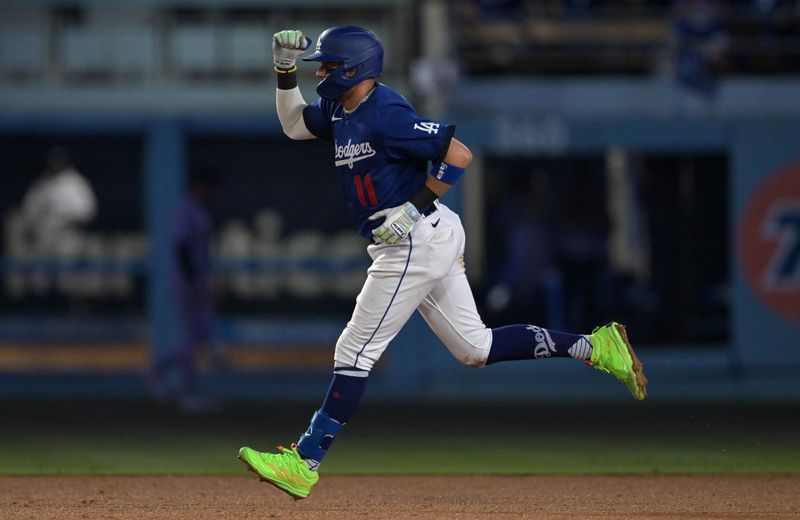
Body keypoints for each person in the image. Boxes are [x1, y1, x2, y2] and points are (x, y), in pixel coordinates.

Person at [238, 26, 648, 499]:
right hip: (427, 235)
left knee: (354, 352)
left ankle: (304, 461)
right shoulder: (339, 107)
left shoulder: (386, 111)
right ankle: (595, 348)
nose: (322, 72)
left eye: (328, 65)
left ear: (355, 67)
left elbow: (459, 154)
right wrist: (284, 70)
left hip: (414, 240)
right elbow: (293, 126)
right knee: (474, 348)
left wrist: (414, 205)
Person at [147, 168, 220, 413]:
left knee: (197, 339)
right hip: (186, 282)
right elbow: (181, 248)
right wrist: (193, 283)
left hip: (196, 279)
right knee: (191, 341)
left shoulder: (197, 208)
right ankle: (186, 392)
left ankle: (158, 371)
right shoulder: (185, 208)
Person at [21, 146, 96, 294]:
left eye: (60, 162)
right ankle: (41, 308)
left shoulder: (76, 183)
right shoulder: (42, 184)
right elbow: (28, 209)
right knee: (40, 278)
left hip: (67, 235)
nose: (56, 166)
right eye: (53, 162)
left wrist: (64, 216)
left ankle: (68, 311)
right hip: (44, 234)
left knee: (66, 278)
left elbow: (88, 212)